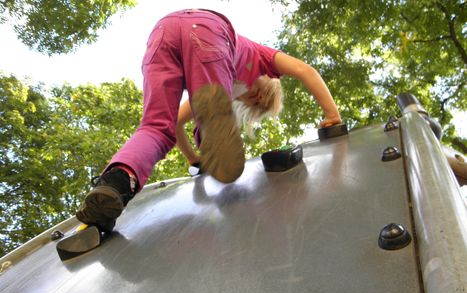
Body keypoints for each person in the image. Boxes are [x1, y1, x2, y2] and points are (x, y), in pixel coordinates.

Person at [76, 9, 341, 233]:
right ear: (270, 80)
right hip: (210, 32)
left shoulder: (225, 88)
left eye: (256, 104)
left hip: (162, 34)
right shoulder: (262, 57)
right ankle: (209, 132)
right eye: (261, 96)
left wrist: (193, 159)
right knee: (212, 110)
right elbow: (305, 70)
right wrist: (332, 115)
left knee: (156, 127)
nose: (255, 98)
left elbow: (176, 123)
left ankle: (116, 183)